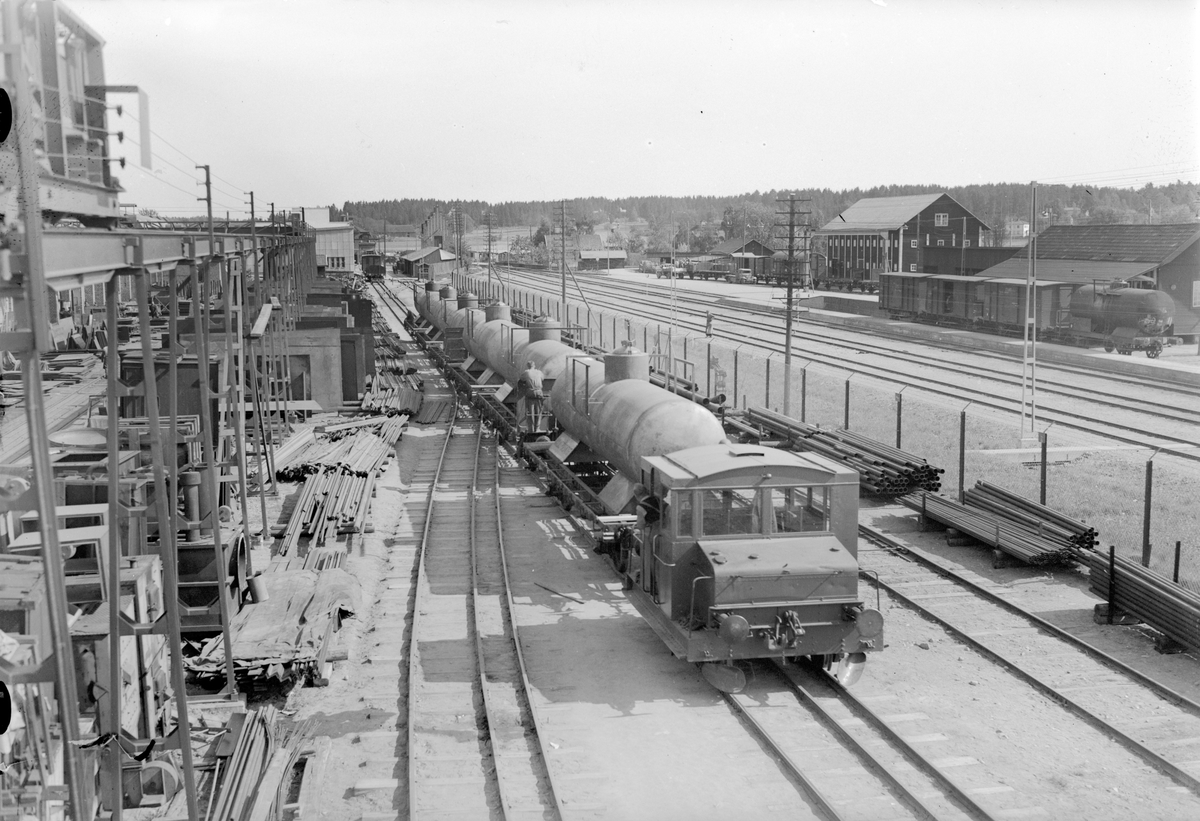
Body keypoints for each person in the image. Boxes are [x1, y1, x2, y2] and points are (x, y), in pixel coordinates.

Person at [516, 360, 545, 432]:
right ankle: (537, 428)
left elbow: (521, 379)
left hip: (530, 393)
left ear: (528, 366)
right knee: (538, 411)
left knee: (530, 412)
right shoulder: (539, 372)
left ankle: (531, 429)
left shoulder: (527, 372)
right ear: (534, 365)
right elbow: (543, 378)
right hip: (539, 393)